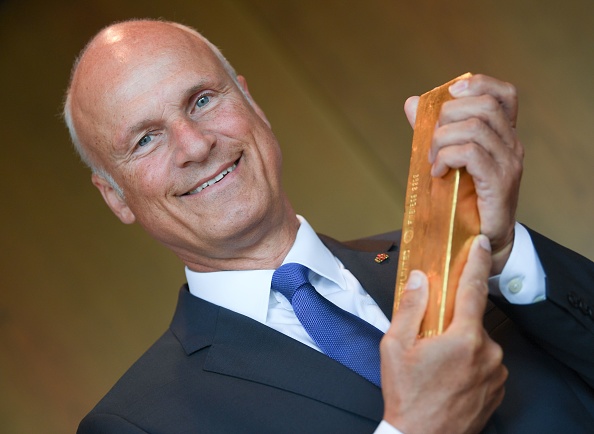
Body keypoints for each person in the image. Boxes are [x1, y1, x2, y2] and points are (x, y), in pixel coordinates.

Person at [64, 19, 594, 434]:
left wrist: (504, 252)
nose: (196, 144)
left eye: (202, 101)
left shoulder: (453, 247)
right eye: (146, 140)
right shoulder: (137, 421)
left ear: (252, 105)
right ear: (116, 196)